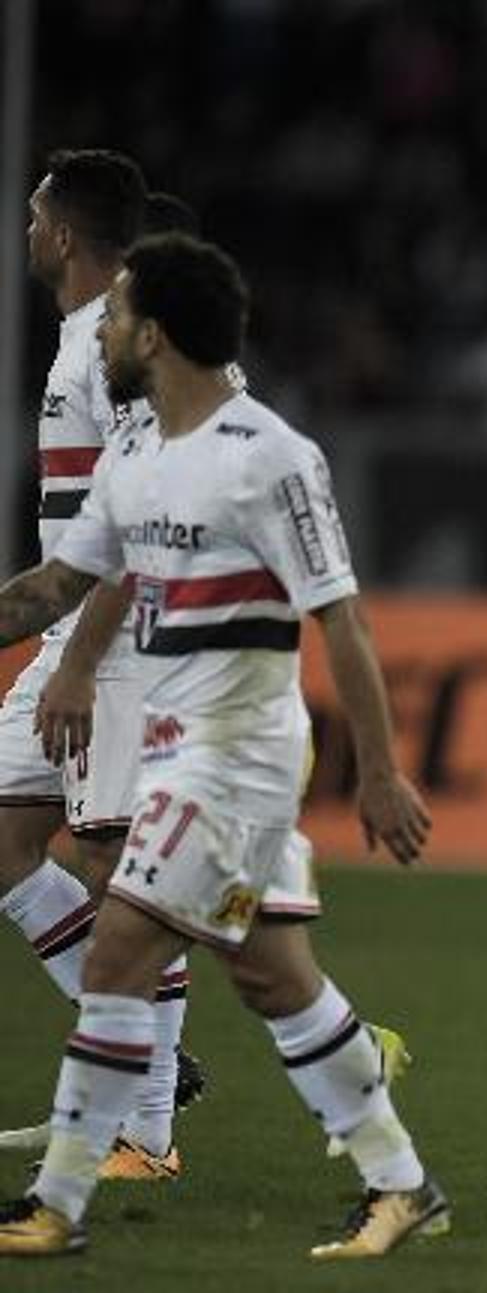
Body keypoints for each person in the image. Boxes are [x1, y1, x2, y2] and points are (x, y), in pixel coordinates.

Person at [0, 233, 446, 1259]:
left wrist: (378, 771)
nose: (100, 330)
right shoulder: (137, 457)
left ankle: (57, 1205)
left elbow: (343, 619)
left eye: (114, 314)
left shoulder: (270, 458)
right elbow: (63, 589)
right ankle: (403, 1186)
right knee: (275, 978)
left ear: (153, 334)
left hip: (235, 758)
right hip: (175, 750)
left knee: (116, 951)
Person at [0, 149, 204, 1177]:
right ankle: (139, 1060)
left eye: (36, 214)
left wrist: (78, 667)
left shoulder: (115, 346)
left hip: (116, 646)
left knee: (123, 874)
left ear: (64, 235)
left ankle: (145, 1126)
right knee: (6, 846)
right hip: (66, 635)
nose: (28, 229)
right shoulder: (81, 341)